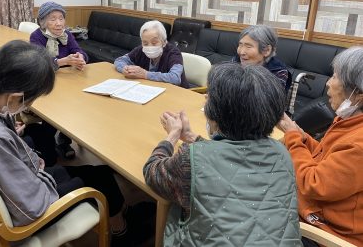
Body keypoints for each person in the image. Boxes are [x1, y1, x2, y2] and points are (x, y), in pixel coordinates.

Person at [0, 40, 143, 244]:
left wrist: (21, 149)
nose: (30, 105)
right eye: (31, 100)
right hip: (13, 225)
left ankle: (121, 211)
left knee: (85, 170)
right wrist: (37, 167)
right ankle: (121, 231)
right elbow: (32, 210)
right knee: (101, 177)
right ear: (15, 97)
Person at [144, 63, 301, 246]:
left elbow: (153, 173)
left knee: (174, 206)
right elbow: (230, 161)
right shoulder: (281, 152)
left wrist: (172, 135)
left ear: (217, 114)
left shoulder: (190, 158)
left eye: (208, 99)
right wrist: (191, 137)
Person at [278, 46, 363, 247]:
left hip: (328, 234)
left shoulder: (359, 143)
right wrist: (302, 137)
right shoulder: (349, 121)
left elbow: (313, 184)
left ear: (358, 93)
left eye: (334, 77)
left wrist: (292, 137)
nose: (327, 83)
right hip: (313, 213)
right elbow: (328, 158)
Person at [29, 1, 88, 160]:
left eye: (61, 18)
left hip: (69, 82)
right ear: (42, 22)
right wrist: (63, 62)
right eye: (52, 19)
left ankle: (64, 138)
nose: (58, 23)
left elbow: (78, 50)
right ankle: (48, 143)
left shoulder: (67, 35)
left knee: (76, 102)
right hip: (45, 82)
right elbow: (39, 63)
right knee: (55, 109)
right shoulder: (36, 37)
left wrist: (81, 57)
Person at [114, 20, 189, 88]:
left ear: (164, 42)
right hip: (151, 88)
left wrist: (145, 74)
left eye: (154, 43)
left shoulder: (173, 53)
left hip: (176, 93)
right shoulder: (141, 50)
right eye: (145, 43)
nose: (149, 46)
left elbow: (175, 78)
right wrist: (125, 69)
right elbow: (119, 60)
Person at [234, 25, 292, 92]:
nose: (241, 52)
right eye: (240, 45)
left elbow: (270, 100)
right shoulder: (236, 62)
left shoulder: (279, 72)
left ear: (267, 50)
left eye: (248, 46)